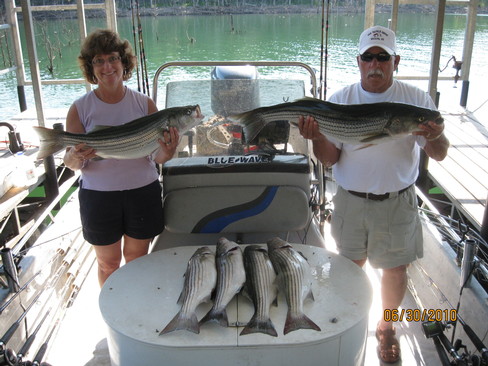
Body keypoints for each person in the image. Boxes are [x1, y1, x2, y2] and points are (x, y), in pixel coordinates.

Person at [298, 25, 449, 363]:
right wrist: (315, 137)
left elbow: (439, 153)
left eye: (383, 57)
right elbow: (330, 158)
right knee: (351, 268)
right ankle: (352, 324)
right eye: (369, 57)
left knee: (395, 271)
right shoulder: (340, 99)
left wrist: (436, 135)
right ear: (359, 61)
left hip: (397, 202)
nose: (375, 63)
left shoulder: (416, 101)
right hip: (351, 200)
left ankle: (387, 327)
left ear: (395, 60)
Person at [63, 29, 179, 287]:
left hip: (142, 191)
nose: (107, 67)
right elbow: (71, 165)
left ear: (123, 62)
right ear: (90, 68)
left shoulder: (144, 104)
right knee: (108, 264)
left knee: (137, 258)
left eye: (113, 58)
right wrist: (73, 155)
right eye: (99, 61)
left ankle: (134, 311)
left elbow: (157, 157)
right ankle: (111, 318)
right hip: (99, 196)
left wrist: (168, 152)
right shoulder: (80, 108)